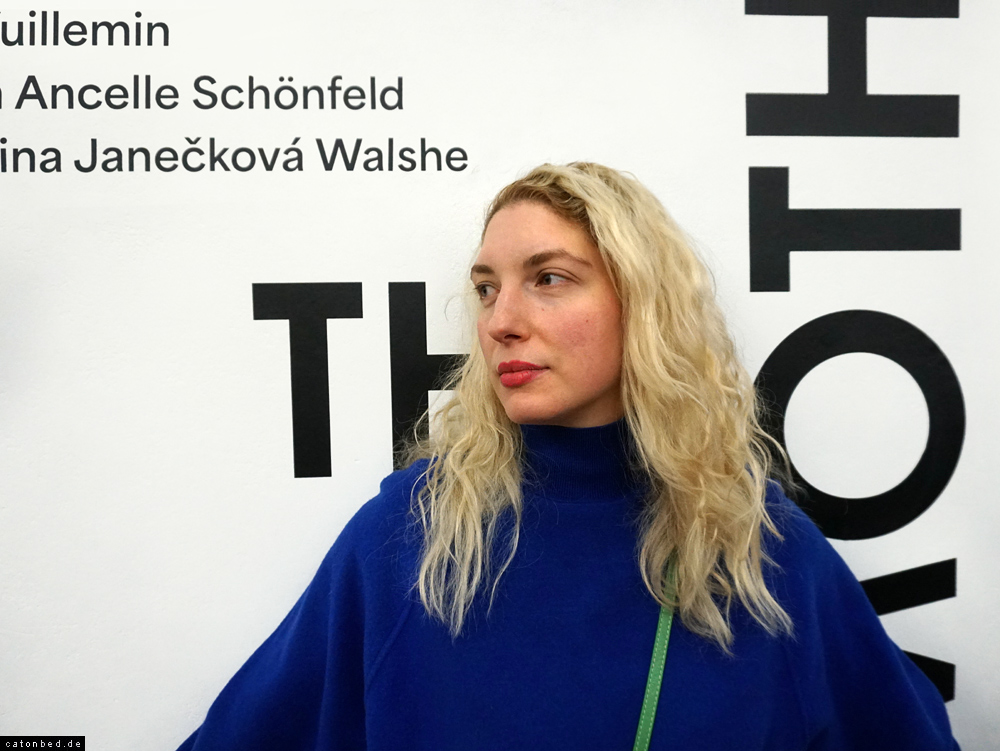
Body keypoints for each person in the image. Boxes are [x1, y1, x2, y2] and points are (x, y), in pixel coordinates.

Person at [177, 162, 959, 749]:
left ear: (641, 305)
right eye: (487, 288)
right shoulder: (408, 539)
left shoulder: (760, 551)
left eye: (548, 278)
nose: (501, 321)